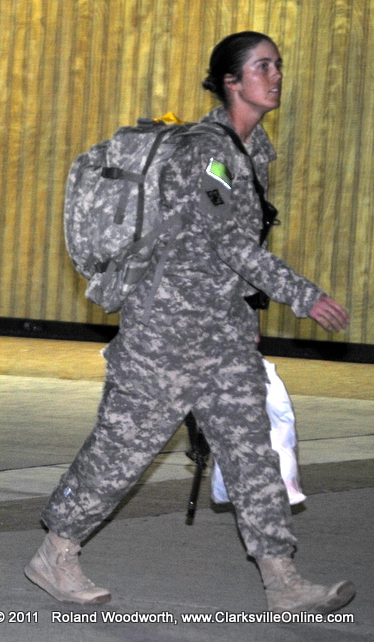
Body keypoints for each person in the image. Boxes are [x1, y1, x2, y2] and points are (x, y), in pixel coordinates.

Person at [25, 32, 356, 614]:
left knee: (253, 452)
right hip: (165, 331)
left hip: (223, 331)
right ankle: (57, 551)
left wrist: (246, 309)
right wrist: (304, 297)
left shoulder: (253, 151)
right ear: (231, 81)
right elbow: (229, 241)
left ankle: (282, 580)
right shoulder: (205, 152)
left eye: (278, 65)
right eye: (262, 67)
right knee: (123, 450)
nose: (275, 76)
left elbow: (229, 250)